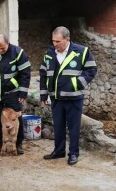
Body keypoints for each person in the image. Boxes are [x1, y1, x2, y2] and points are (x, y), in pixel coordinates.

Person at [40, 26, 97, 165]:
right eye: (53, 41)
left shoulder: (82, 52)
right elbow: (43, 75)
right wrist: (43, 96)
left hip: (74, 98)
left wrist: (78, 83)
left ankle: (73, 154)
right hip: (56, 98)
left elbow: (91, 69)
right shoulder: (49, 54)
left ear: (67, 39)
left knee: (73, 127)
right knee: (58, 126)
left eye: (58, 41)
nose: (55, 44)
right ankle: (59, 151)